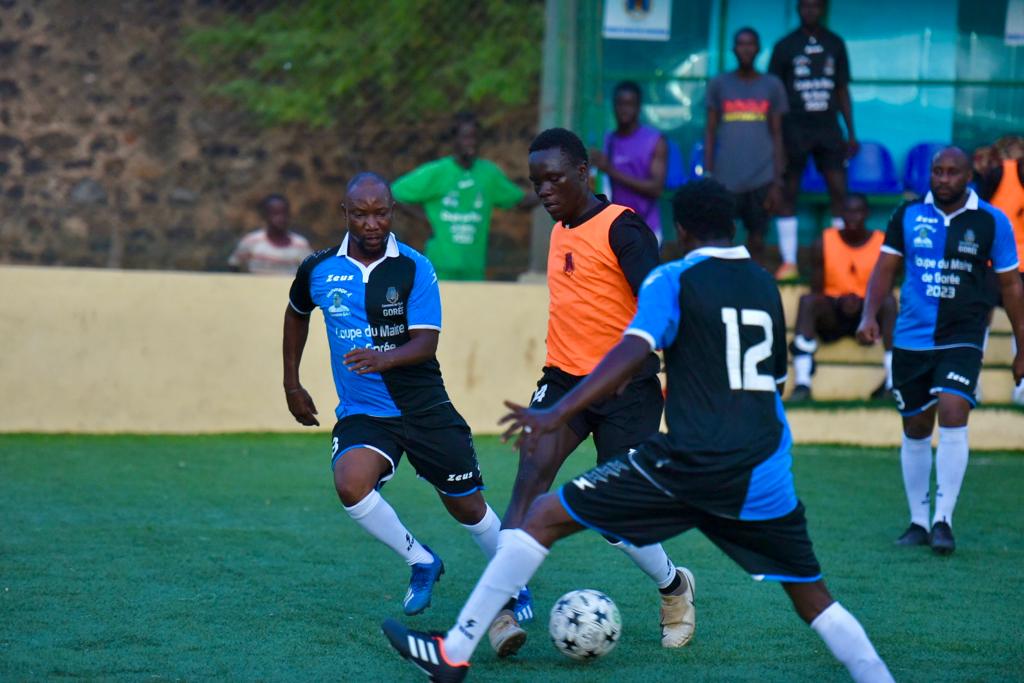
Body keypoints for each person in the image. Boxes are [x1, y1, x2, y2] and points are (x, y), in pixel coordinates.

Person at [381, 178, 895, 683]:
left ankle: (453, 654)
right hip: (764, 468)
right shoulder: (765, 284)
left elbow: (632, 348)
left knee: (544, 515)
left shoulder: (673, 278)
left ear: (682, 230)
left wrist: (559, 412)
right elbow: (775, 379)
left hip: (688, 461)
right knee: (814, 599)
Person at [485, 128, 694, 657]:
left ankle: (674, 588)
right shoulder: (560, 228)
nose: (545, 190)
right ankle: (501, 608)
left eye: (555, 177)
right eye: (537, 182)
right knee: (529, 483)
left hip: (630, 389)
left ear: (585, 172)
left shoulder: (623, 229)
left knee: (613, 519)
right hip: (563, 382)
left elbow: (663, 305)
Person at [281, 173, 504, 617]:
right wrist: (292, 382)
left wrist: (383, 359)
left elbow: (426, 343)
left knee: (467, 507)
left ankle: (513, 583)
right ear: (345, 214)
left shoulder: (415, 267)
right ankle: (421, 561)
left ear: (392, 212)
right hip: (365, 411)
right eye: (360, 214)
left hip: (422, 406)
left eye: (380, 213)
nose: (371, 223)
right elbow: (296, 313)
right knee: (350, 484)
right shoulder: (319, 268)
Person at [857, 147, 1024, 555]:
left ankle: (943, 520)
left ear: (968, 176)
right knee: (916, 426)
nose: (944, 178)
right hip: (912, 338)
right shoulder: (907, 215)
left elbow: (1011, 285)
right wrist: (868, 315)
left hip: (963, 335)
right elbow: (884, 268)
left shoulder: (992, 221)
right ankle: (918, 520)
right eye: (937, 171)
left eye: (952, 172)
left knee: (953, 409)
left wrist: (1022, 346)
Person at [769, 0, 857, 281]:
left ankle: (841, 259)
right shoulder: (785, 46)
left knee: (838, 191)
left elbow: (842, 89)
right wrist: (777, 139)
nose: (810, 10)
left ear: (823, 9)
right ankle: (789, 262)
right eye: (805, 5)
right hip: (794, 130)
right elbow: (774, 95)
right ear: (798, 9)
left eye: (815, 5)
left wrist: (851, 132)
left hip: (828, 129)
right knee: (788, 192)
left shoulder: (835, 44)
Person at [391, 112, 535, 281]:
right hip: (440, 265)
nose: (471, 143)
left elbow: (520, 202)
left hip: (474, 267)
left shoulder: (488, 174)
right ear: (455, 140)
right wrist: (424, 218)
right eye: (466, 137)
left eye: (475, 138)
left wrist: (549, 189)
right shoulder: (438, 172)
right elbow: (393, 193)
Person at [789, 193, 897, 402]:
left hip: (868, 319)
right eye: (848, 211)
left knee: (889, 302)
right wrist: (839, 302)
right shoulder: (824, 242)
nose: (853, 217)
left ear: (866, 214)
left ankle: (892, 384)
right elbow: (816, 290)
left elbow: (887, 287)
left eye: (858, 211)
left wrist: (864, 305)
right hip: (833, 316)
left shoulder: (882, 244)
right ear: (840, 214)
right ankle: (803, 383)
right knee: (808, 302)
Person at [705, 27, 788, 265]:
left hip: (761, 177)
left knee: (758, 240)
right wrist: (709, 174)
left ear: (759, 49)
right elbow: (710, 132)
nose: (746, 48)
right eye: (741, 44)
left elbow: (777, 133)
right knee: (721, 238)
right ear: (733, 49)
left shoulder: (772, 85)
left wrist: (776, 180)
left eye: (751, 44)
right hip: (725, 177)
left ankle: (754, 287)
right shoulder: (719, 84)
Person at [976, 137, 1024, 404]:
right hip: (993, 263)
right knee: (979, 312)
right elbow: (976, 212)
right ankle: (970, 379)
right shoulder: (999, 174)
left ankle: (1022, 387)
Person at [590, 81, 668, 242]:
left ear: (639, 107)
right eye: (620, 104)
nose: (624, 109)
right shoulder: (606, 141)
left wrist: (611, 170)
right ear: (613, 106)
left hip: (646, 228)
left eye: (630, 104)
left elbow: (656, 188)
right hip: (613, 228)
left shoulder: (654, 141)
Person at [228, 194, 312, 275]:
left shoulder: (300, 245)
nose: (281, 218)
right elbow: (234, 265)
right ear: (265, 215)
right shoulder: (251, 241)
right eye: (275, 213)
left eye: (284, 213)